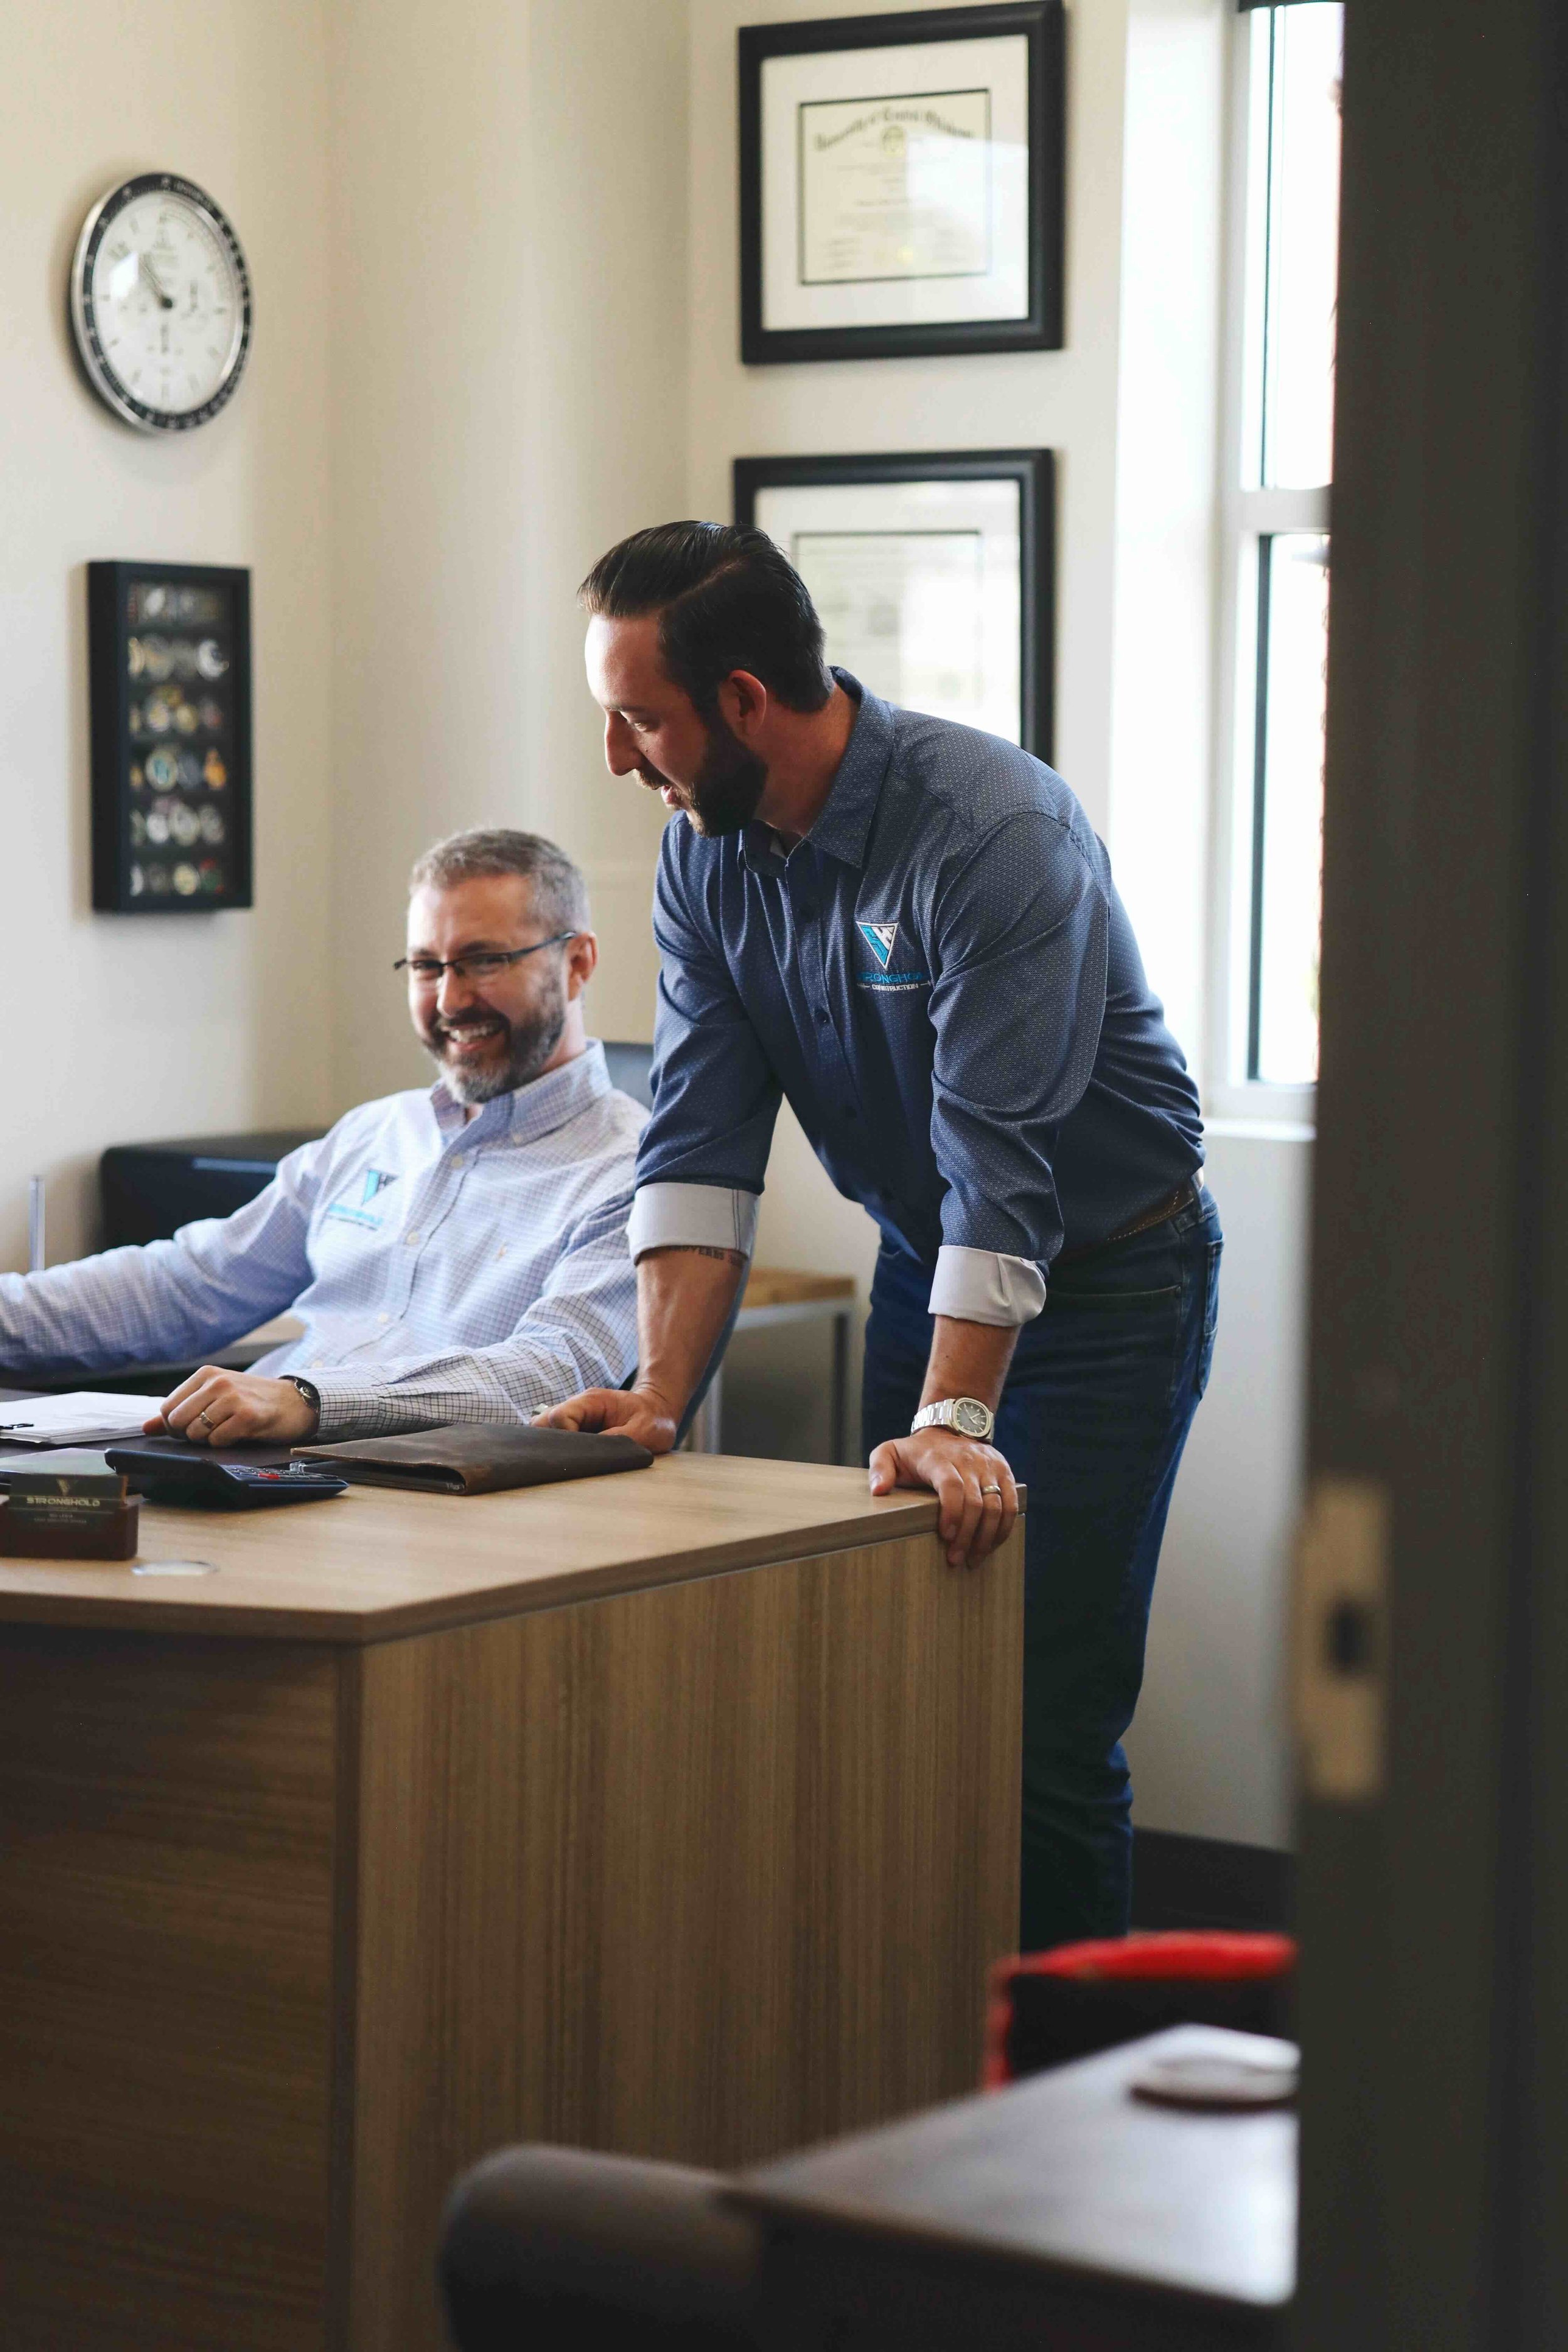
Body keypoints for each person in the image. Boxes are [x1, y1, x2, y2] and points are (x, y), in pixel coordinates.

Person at [541, 523, 1222, 1950]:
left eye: (639, 716)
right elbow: (699, 1147)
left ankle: (1050, 2106)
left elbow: (1004, 1163)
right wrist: (661, 1393)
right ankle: (911, 2056)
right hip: (930, 1261)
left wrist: (956, 1414)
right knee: (909, 1677)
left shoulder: (991, 834)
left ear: (741, 700)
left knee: (1037, 1713)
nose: (617, 755)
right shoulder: (703, 863)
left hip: (1108, 1284)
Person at [0, 830, 644, 1448]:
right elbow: (189, 1285)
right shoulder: (376, 1133)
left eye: (483, 961)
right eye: (426, 966)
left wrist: (309, 1400)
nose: (450, 999)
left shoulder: (632, 1171)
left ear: (577, 963)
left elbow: (553, 1371)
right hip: (254, 1477)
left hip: (420, 1502)